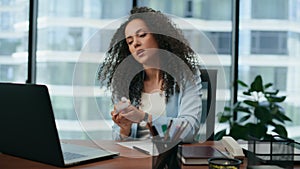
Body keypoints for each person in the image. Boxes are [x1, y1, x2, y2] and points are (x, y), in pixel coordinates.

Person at [97, 6, 202, 143]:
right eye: (130, 41)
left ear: (159, 36)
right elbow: (117, 138)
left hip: (170, 160)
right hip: (135, 160)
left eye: (141, 35)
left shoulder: (187, 75)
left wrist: (144, 117)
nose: (136, 43)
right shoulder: (124, 81)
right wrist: (125, 129)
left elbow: (189, 130)